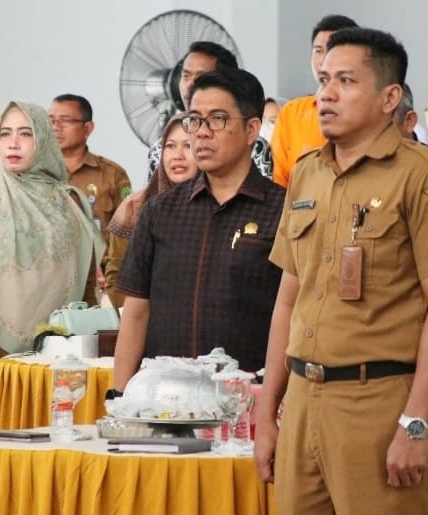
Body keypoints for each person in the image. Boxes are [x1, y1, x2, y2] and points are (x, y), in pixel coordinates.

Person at [255, 28, 428, 515]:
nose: (326, 95)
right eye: (323, 80)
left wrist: (414, 423)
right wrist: (268, 414)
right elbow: (287, 301)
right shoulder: (307, 173)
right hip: (303, 398)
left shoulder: (423, 175)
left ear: (390, 98)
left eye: (346, 81)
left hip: (378, 401)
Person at [113, 67, 284, 389]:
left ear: (251, 129)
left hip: (247, 397)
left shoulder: (282, 211)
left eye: (217, 119)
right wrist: (118, 396)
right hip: (166, 397)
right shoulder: (160, 211)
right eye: (194, 120)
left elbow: (292, 317)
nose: (202, 133)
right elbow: (136, 313)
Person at [0, 101, 102, 425]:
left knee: (56, 436)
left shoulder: (69, 200)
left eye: (25, 134)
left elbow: (86, 279)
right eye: (5, 134)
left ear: (43, 139)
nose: (13, 143)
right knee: (4, 437)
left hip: (61, 348)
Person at [104, 112, 197, 308]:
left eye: (188, 145)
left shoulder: (219, 206)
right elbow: (117, 279)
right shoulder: (136, 206)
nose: (178, 155)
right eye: (170, 146)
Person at [146, 41, 272, 180]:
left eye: (202, 78)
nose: (190, 85)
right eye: (186, 76)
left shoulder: (253, 146)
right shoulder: (160, 148)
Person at [270, 14, 358, 187]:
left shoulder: (366, 110)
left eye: (332, 49)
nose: (324, 60)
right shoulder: (291, 113)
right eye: (318, 51)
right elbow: (279, 182)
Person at [49, 93, 131, 244]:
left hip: (99, 259)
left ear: (88, 128)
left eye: (65, 120)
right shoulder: (35, 173)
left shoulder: (113, 175)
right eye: (50, 121)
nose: (55, 127)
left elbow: (127, 232)